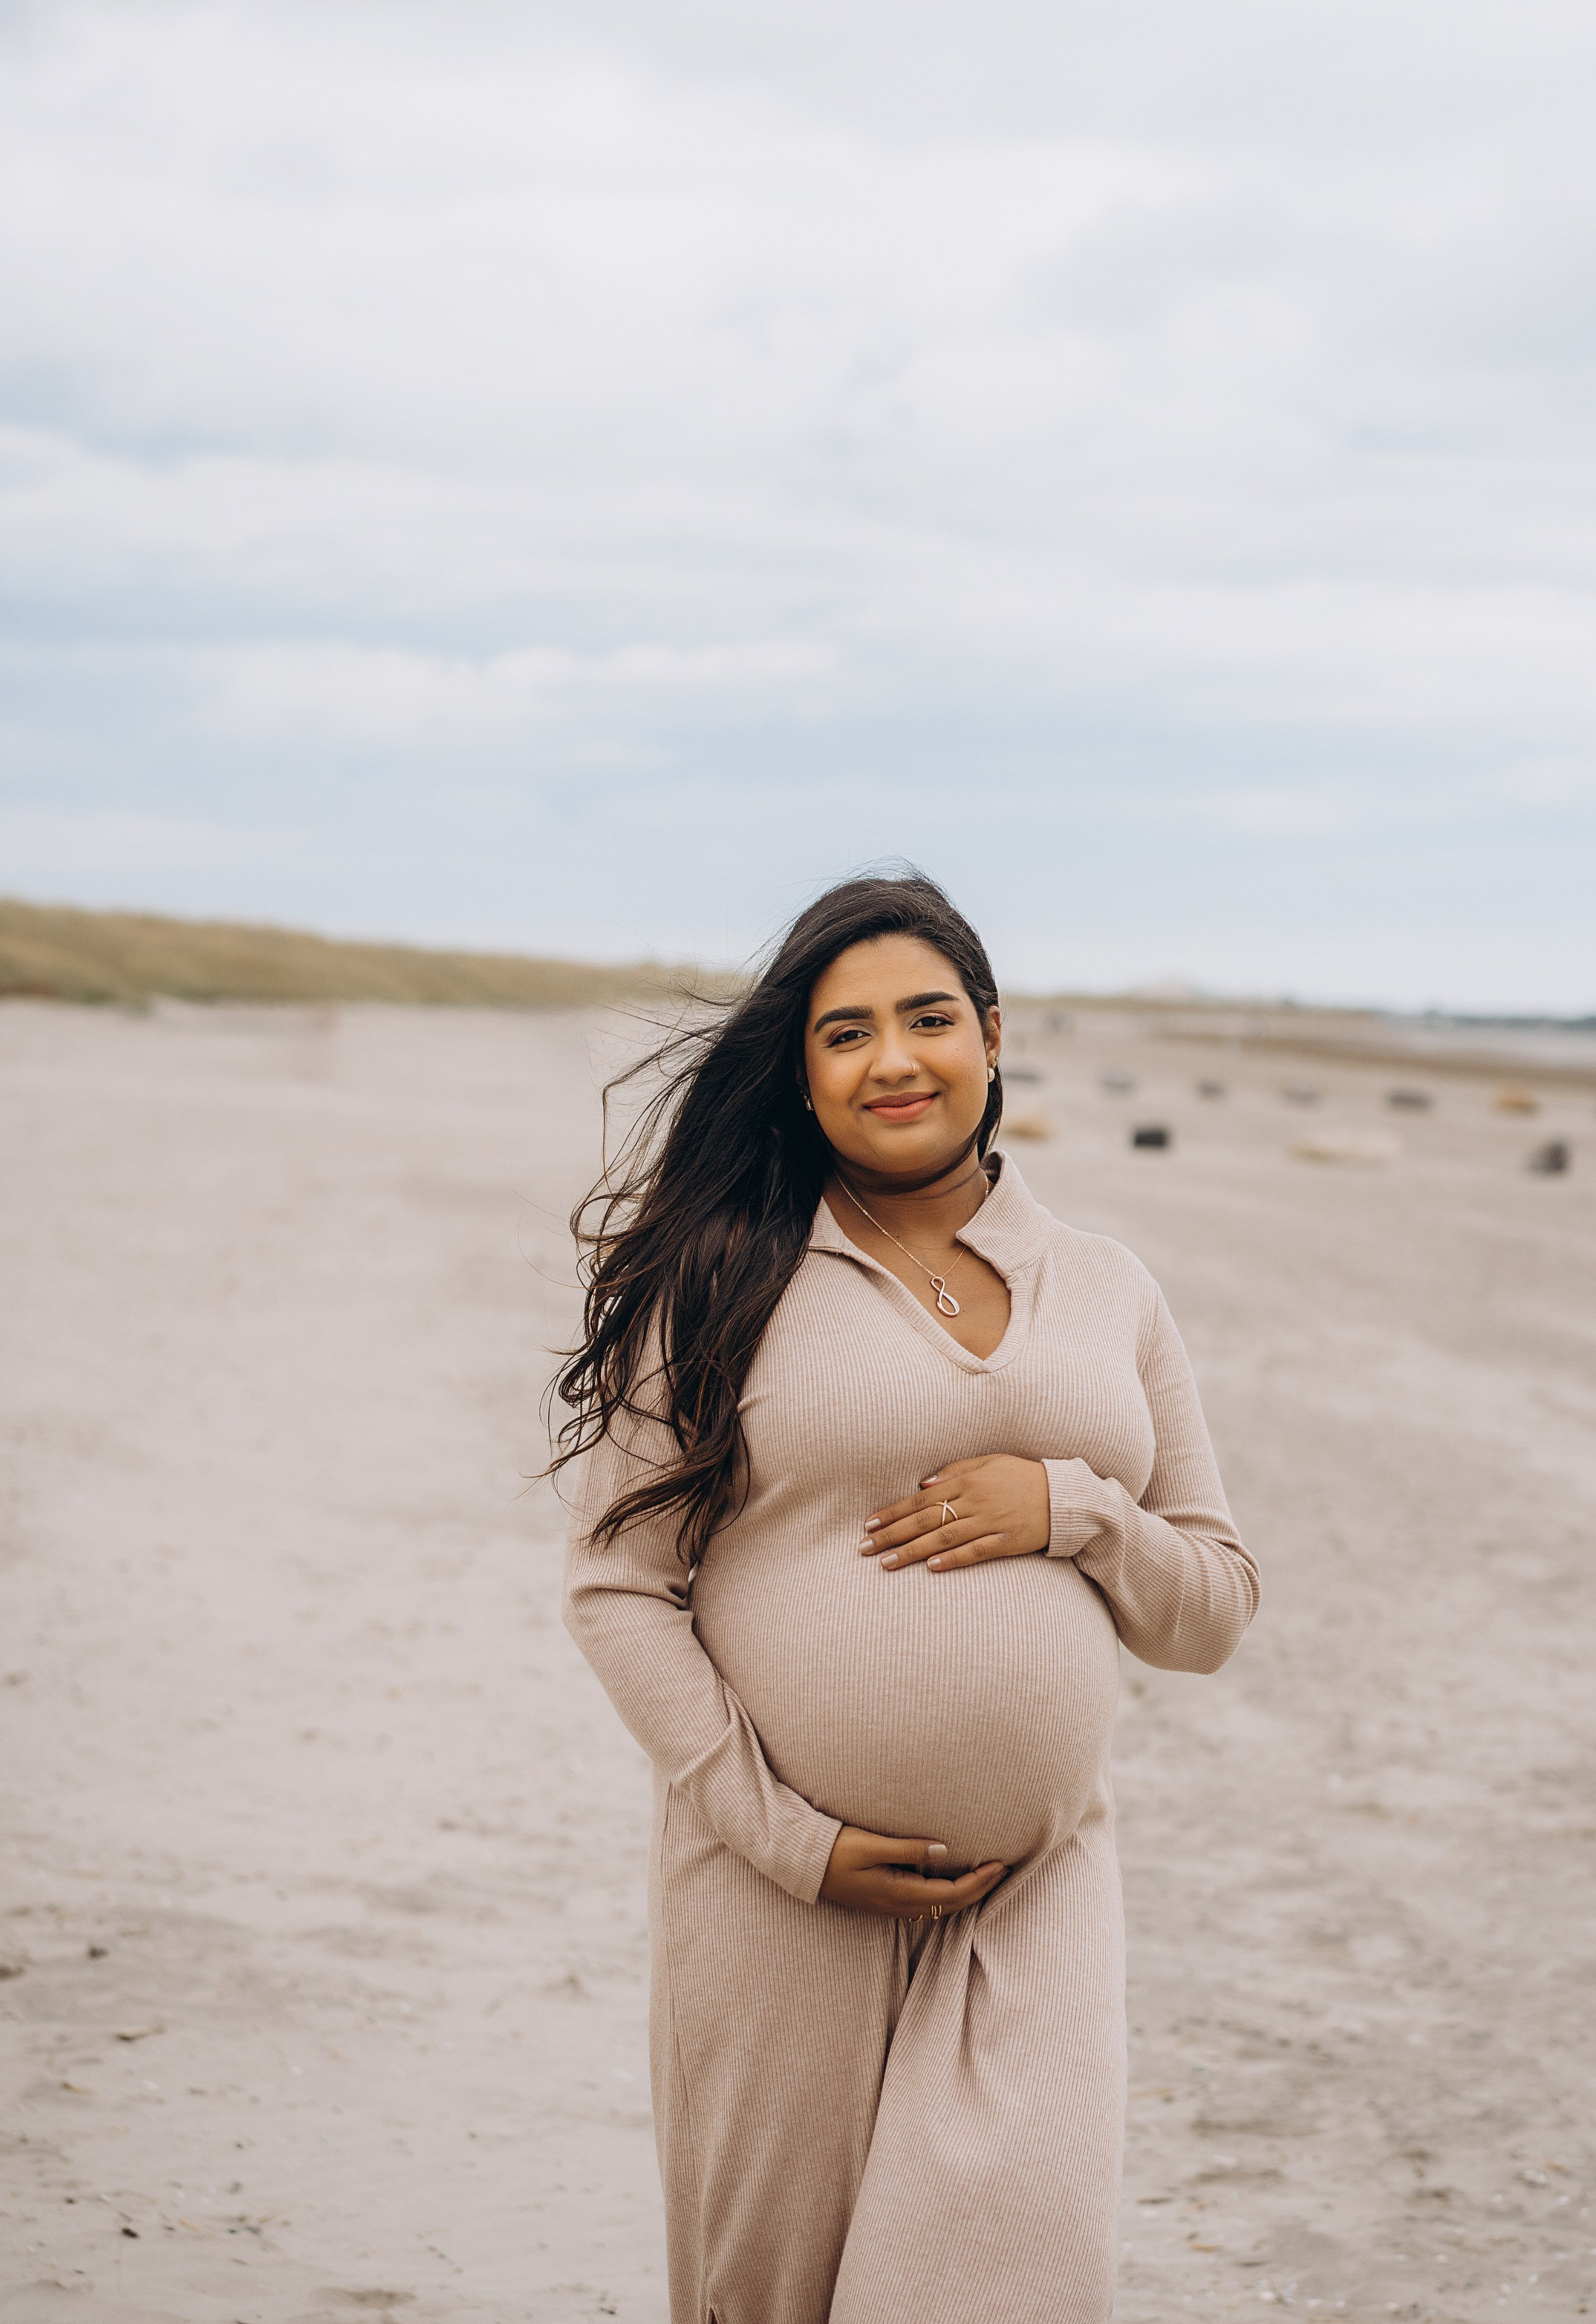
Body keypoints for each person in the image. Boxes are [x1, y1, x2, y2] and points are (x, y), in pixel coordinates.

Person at [555, 869, 1258, 2324]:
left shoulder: (1106, 1286)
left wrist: (1072, 1509)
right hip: (776, 1894)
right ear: (802, 1078)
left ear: (991, 1037)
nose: (892, 1058)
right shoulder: (721, 1280)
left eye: (927, 1017)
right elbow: (617, 1586)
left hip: (1040, 1886)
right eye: (844, 1033)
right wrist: (788, 1840)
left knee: (1012, 2283)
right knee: (774, 2298)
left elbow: (1210, 1608)